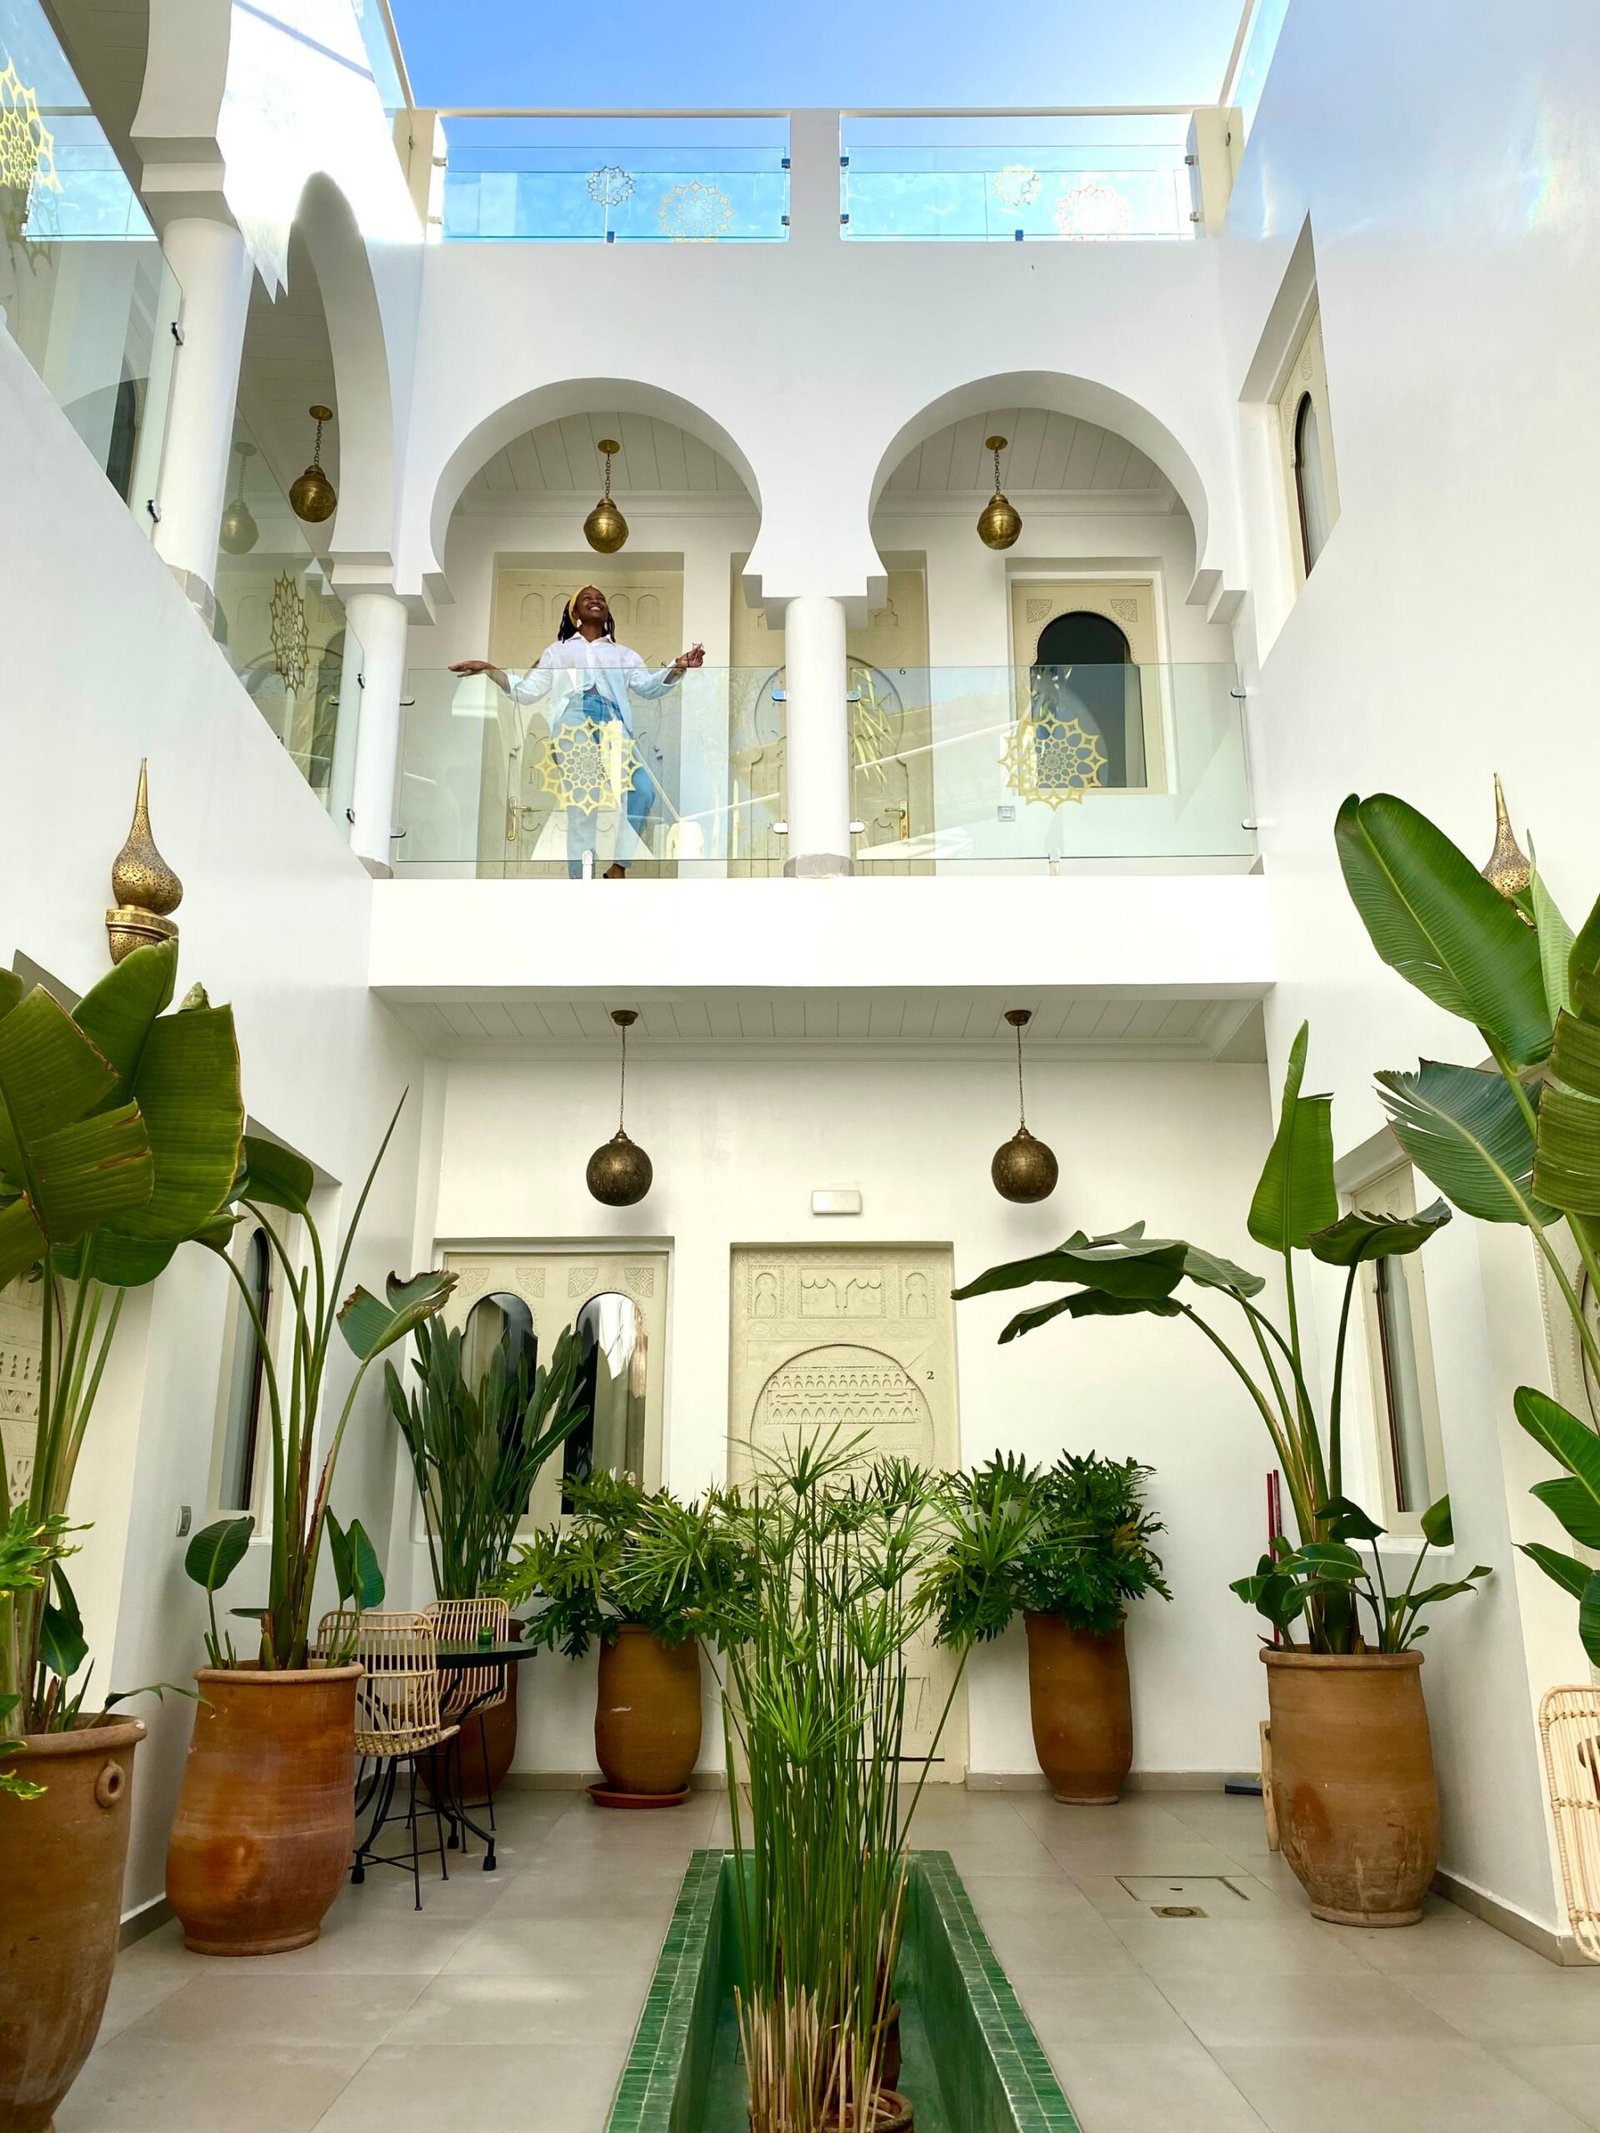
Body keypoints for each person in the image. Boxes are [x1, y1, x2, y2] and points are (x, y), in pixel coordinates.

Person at [452, 587, 704, 878]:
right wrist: (490, 670)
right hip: (573, 720)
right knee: (583, 801)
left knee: (643, 790)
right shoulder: (558, 651)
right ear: (574, 612)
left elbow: (648, 688)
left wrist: (677, 667)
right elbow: (527, 691)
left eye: (601, 598)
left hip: (613, 722)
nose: (595, 601)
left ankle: (618, 867)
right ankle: (581, 880)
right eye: (587, 598)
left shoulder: (623, 654)